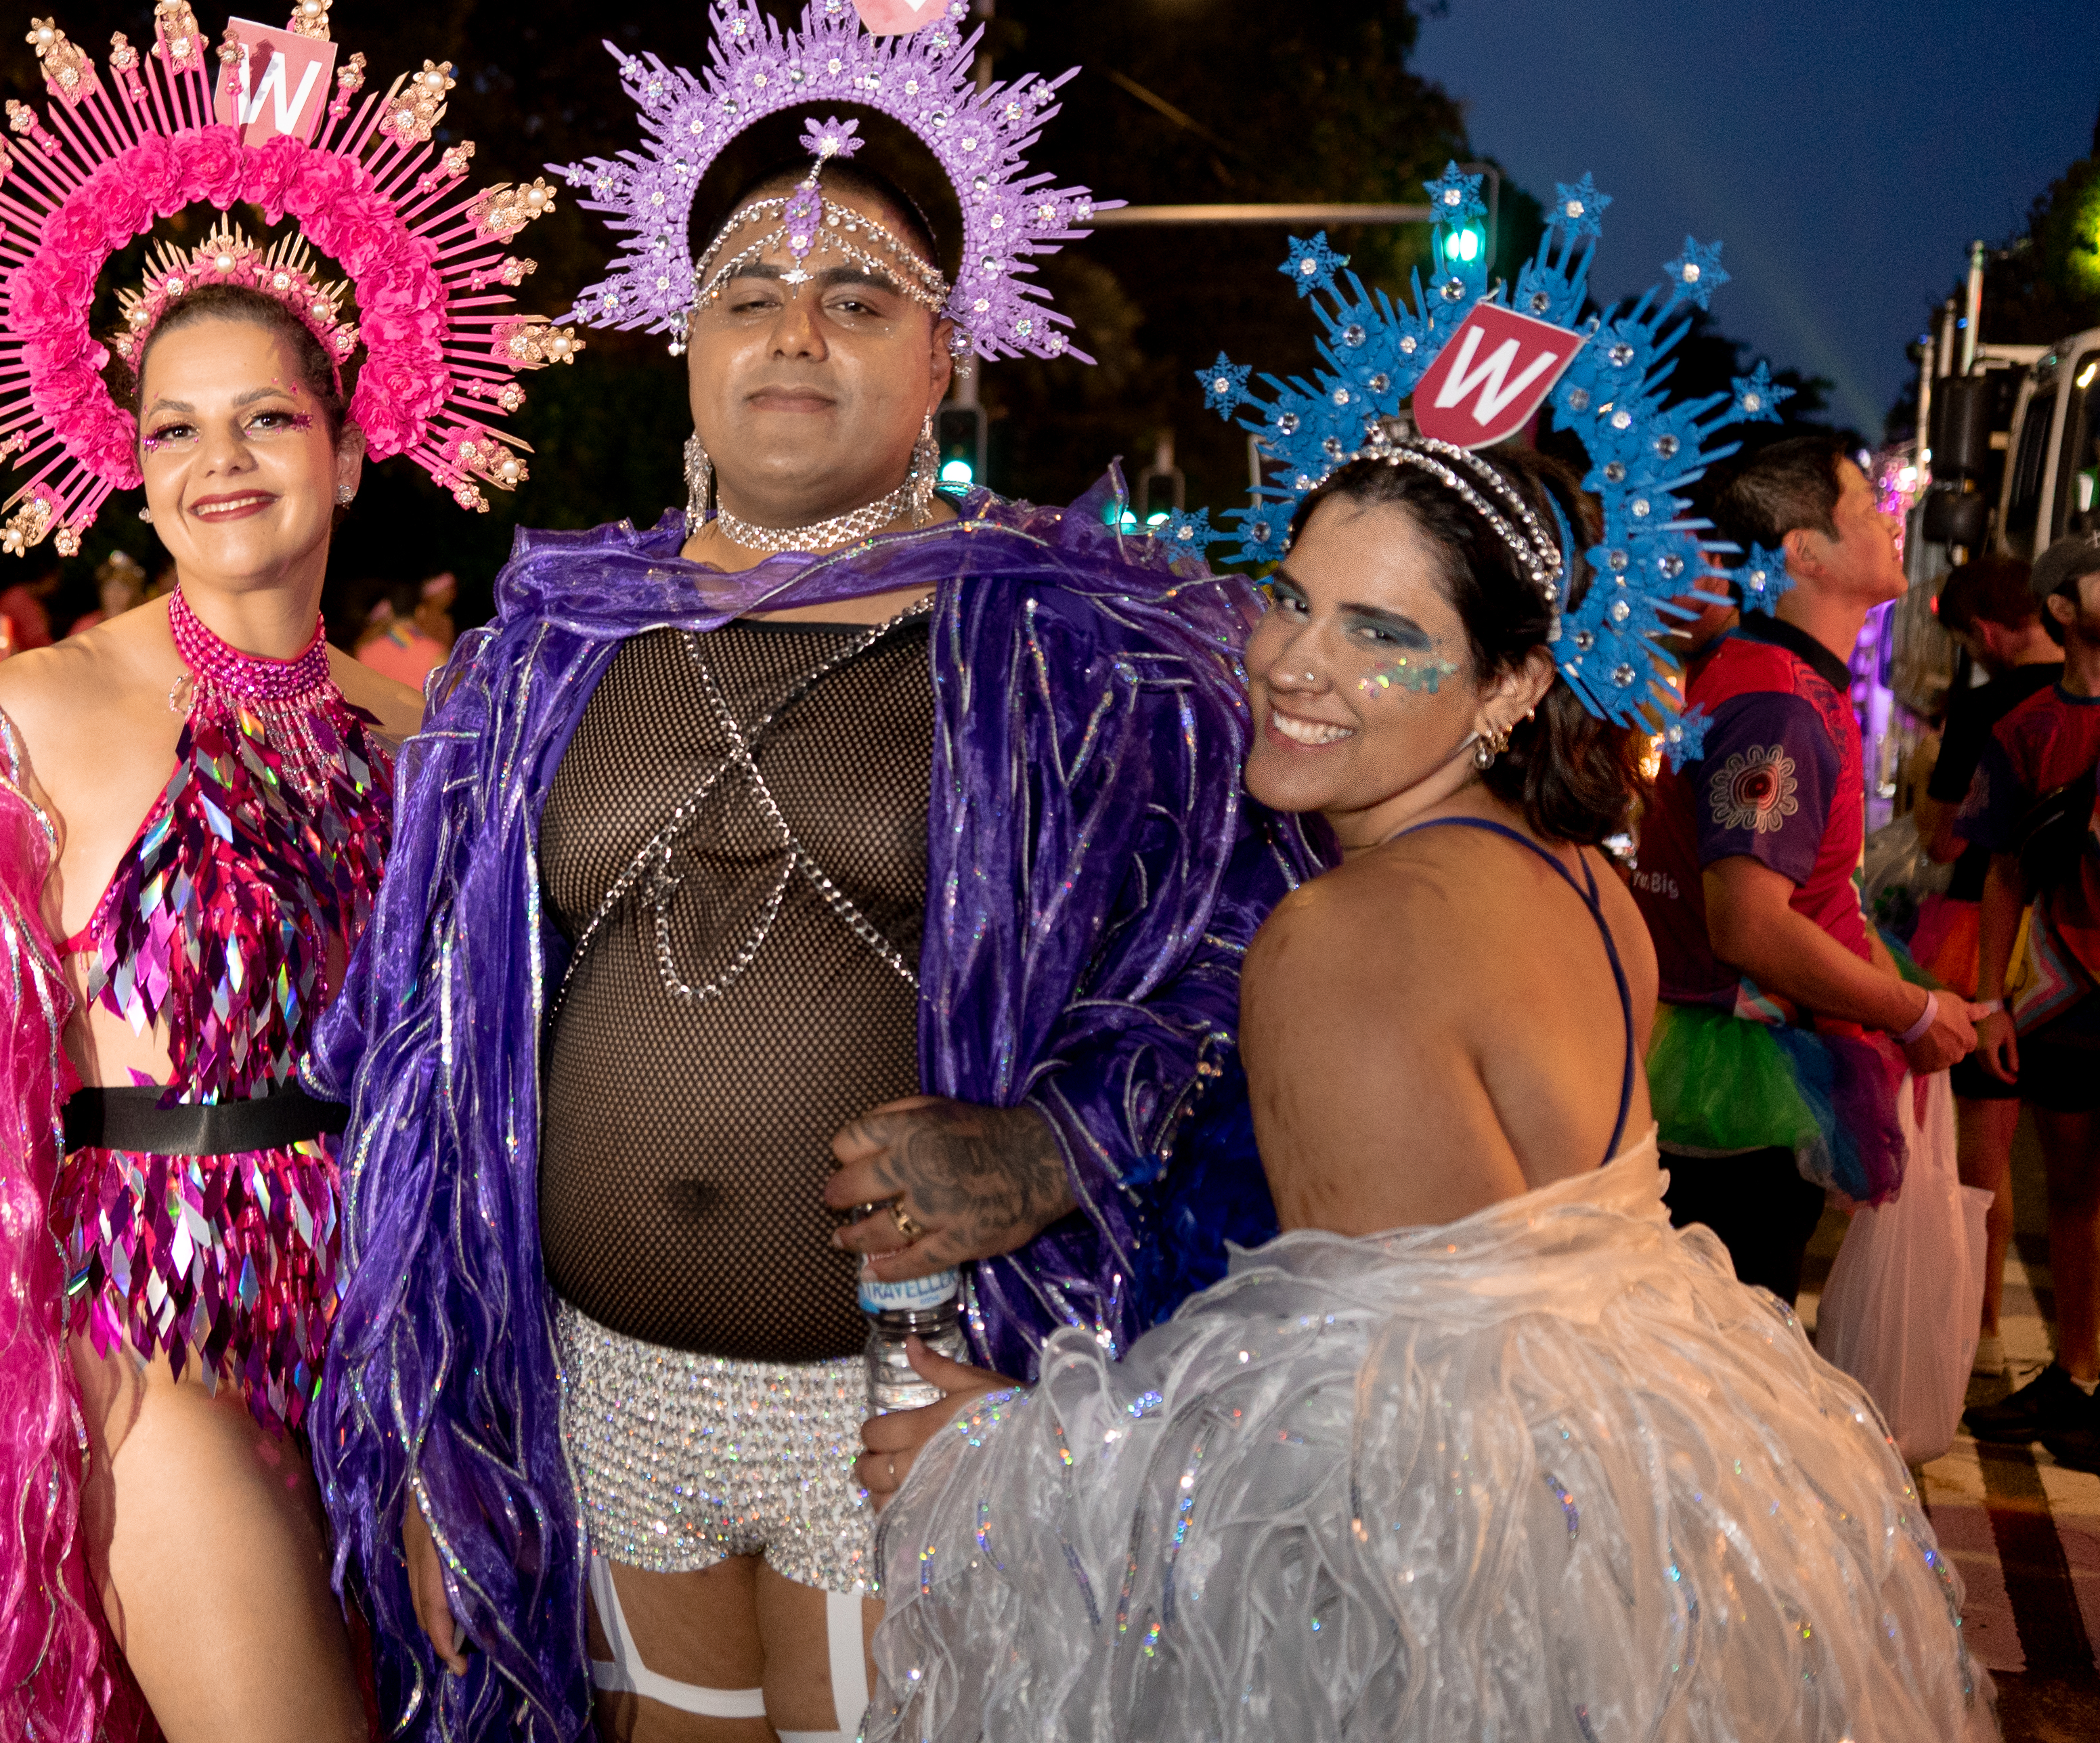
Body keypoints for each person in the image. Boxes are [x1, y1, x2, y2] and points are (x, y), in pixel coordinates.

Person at [311, 0, 1296, 1741]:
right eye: (749, 287)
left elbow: (1254, 973)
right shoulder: (545, 649)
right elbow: (422, 1062)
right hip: (603, 1396)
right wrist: (424, 1406)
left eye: (861, 295)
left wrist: (1070, 1143)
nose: (794, 327)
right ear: (684, 338)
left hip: (910, 1395)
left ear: (944, 356)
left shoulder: (1080, 656)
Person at [0, 0, 571, 1740]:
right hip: (140, 1341)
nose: (221, 458)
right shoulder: (17, 717)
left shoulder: (423, 732)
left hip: (390, 1338)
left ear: (354, 443)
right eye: (177, 426)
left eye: (267, 418)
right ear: (129, 469)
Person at [857, 439, 1989, 1743]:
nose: (1292, 662)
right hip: (1650, 1520)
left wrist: (1015, 1447)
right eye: (1290, 596)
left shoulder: (1342, 935)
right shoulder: (1581, 879)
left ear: (1510, 684)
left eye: (1382, 631)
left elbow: (1358, 1459)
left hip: (1470, 1599)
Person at [1628, 435, 1974, 1305]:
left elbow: (1819, 893)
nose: (1892, 522)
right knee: (1733, 1355)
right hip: (1737, 1078)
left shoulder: (1771, 679)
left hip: (1746, 1055)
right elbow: (1747, 923)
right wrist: (1912, 1011)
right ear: (1801, 551)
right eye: (1866, 508)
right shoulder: (1777, 701)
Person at [1956, 534, 2100, 1465]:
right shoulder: (2024, 730)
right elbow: (2001, 874)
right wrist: (1988, 1001)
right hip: (2065, 997)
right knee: (2078, 1194)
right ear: (2060, 610)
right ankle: (2079, 1377)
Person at [1910, 554, 2064, 1382]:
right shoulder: (2081, 698)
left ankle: (1979, 1333)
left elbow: (1943, 840)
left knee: (1978, 1152)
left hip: (1981, 935)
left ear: (1986, 632)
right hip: (2073, 941)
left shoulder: (1981, 712)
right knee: (2071, 1164)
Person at [347, 572, 456, 689]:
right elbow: (450, 705)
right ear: (420, 612)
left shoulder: (365, 651)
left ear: (389, 612)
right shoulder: (436, 657)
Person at [68, 549, 148, 635]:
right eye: (109, 586)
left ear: (134, 593)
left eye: (123, 587)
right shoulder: (85, 627)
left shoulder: (143, 627)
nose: (115, 594)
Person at [0, 564, 60, 653]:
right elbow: (36, 641)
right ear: (48, 577)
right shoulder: (19, 600)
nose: (57, 585)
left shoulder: (19, 596)